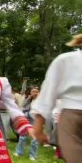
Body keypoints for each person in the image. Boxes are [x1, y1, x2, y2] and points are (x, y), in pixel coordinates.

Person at [32, 34, 82, 163]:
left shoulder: (65, 59)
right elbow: (49, 90)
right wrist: (38, 125)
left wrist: (38, 125)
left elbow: (48, 91)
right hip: (73, 117)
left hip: (71, 117)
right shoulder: (66, 60)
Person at [14, 86, 39, 161]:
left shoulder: (41, 101)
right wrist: (29, 98)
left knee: (34, 138)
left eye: (36, 92)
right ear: (30, 92)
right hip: (27, 118)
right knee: (22, 136)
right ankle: (19, 152)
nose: (35, 93)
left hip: (35, 120)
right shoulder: (28, 99)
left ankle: (33, 155)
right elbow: (22, 105)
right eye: (33, 91)